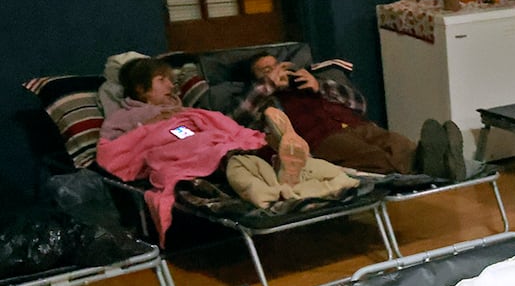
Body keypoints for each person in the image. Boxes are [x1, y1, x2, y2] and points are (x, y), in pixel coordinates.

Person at [97, 57, 356, 235]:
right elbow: (113, 151)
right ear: (141, 89)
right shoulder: (126, 116)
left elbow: (210, 123)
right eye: (162, 80)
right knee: (237, 161)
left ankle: (327, 177)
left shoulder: (182, 110)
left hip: (216, 143)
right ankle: (283, 185)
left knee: (255, 152)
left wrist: (194, 123)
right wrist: (150, 126)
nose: (171, 85)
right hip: (185, 151)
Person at [234, 52, 467, 179]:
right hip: (320, 139)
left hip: (356, 124)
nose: (277, 71)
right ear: (256, 80)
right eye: (266, 70)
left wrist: (320, 86)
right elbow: (237, 121)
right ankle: (438, 164)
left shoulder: (311, 83)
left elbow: (360, 104)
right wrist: (267, 85)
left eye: (278, 65)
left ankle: (434, 160)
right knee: (374, 156)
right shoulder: (263, 101)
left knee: (397, 142)